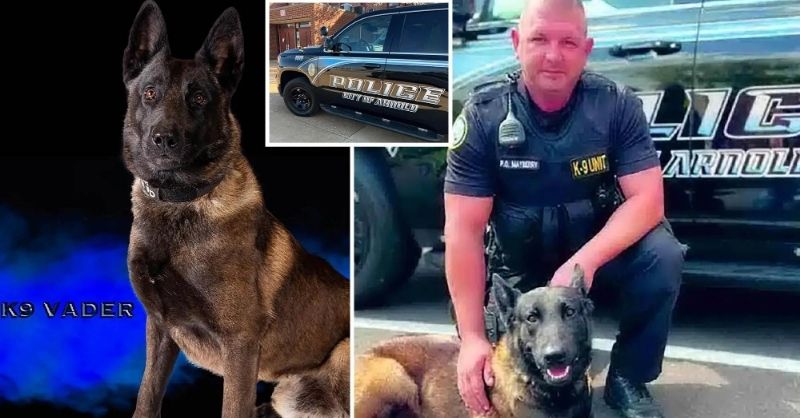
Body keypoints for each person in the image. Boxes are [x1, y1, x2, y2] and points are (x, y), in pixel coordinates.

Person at [443, 0, 685, 417]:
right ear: (516, 43)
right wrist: (473, 338)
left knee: (662, 255)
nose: (553, 55)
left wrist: (584, 263)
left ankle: (628, 377)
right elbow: (463, 229)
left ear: (586, 49)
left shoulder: (616, 105)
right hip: (519, 267)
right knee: (495, 364)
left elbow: (648, 201)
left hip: (592, 265)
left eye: (568, 42)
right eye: (539, 39)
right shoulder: (484, 117)